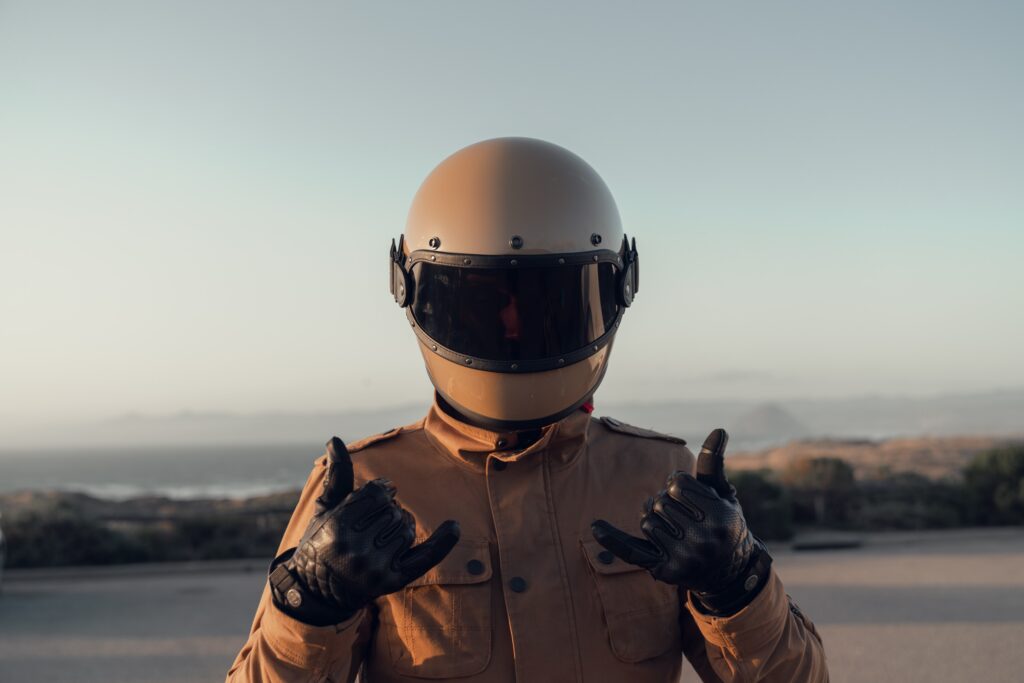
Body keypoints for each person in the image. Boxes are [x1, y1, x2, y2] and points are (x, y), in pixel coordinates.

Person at [227, 137, 828, 682]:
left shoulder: (661, 478)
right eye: (487, 303)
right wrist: (309, 605)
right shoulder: (357, 488)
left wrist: (740, 587)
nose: (513, 326)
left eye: (545, 304)